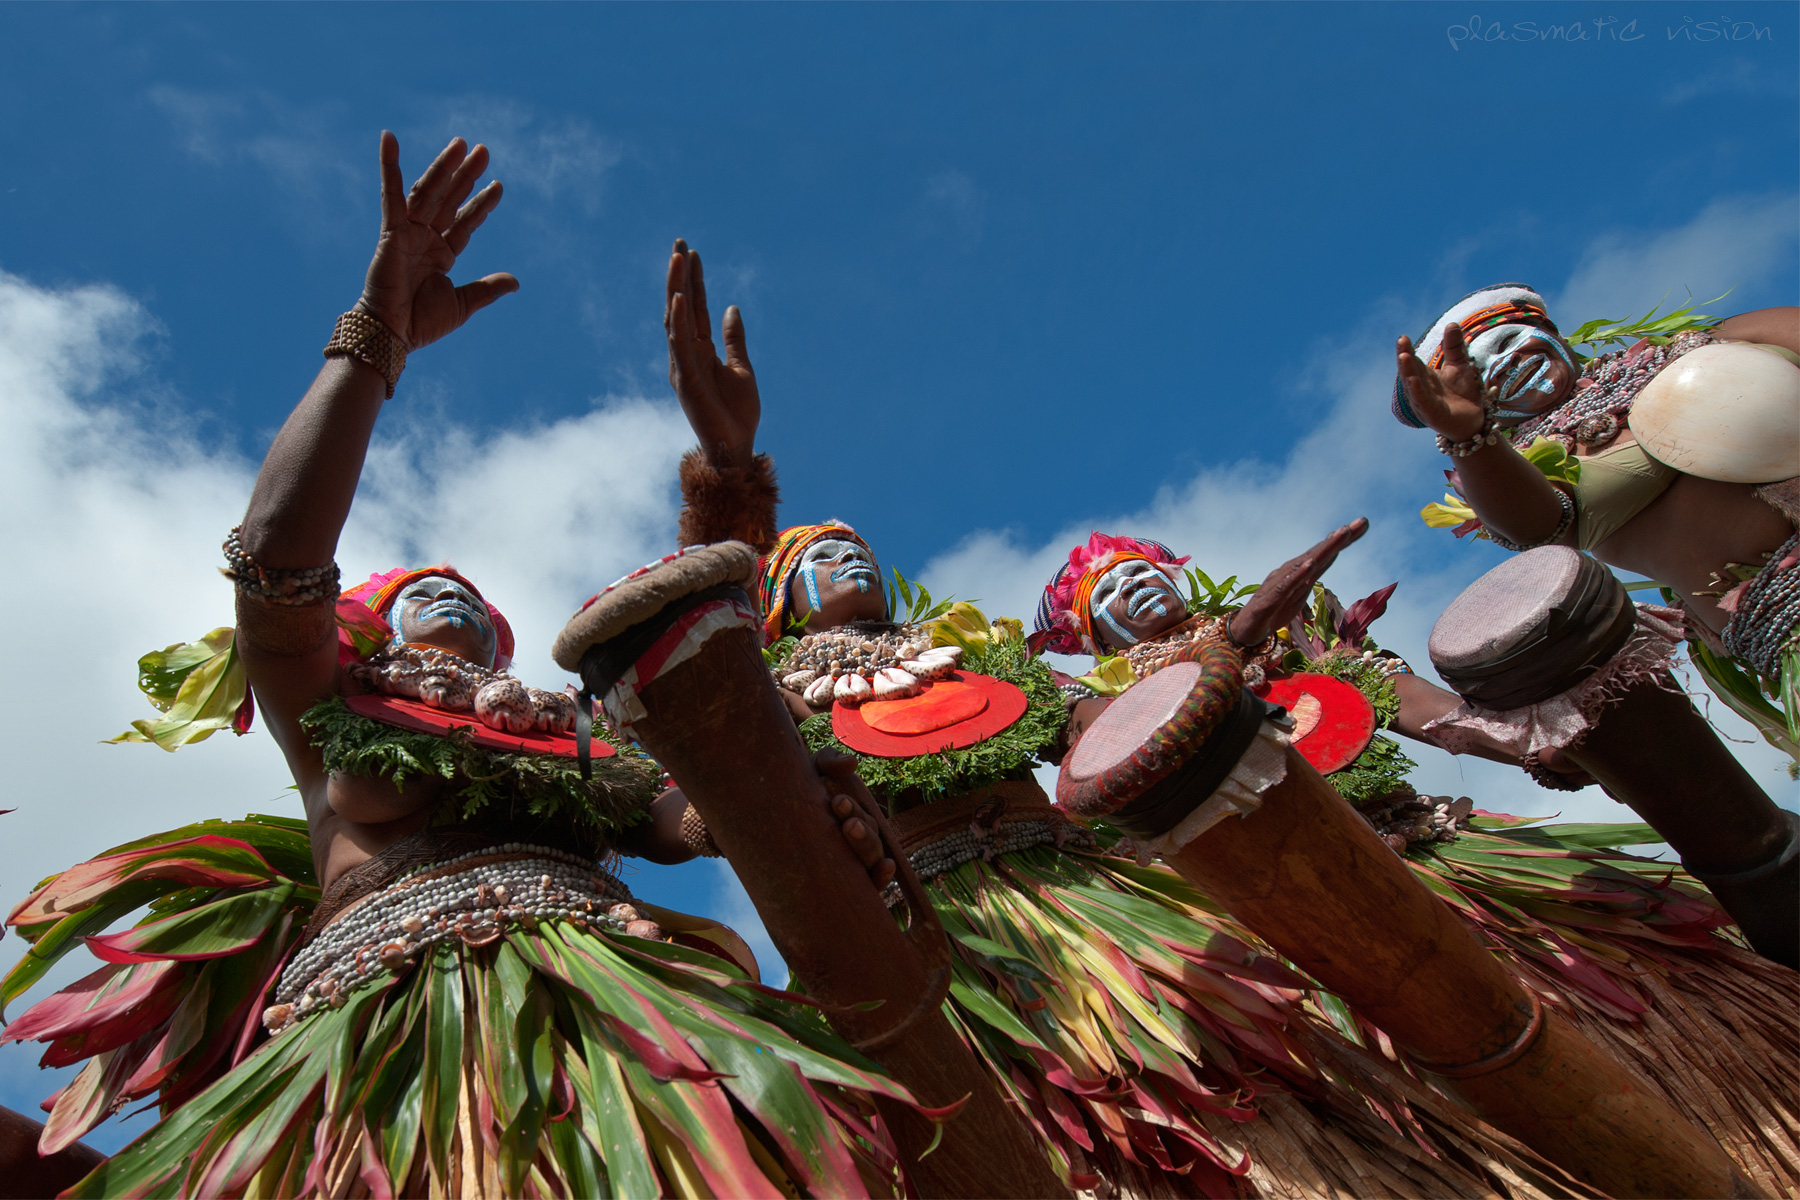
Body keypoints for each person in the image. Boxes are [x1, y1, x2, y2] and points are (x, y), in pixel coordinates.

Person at [2, 134, 921, 1200]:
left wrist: (788, 797)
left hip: (617, 1031)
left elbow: (694, 797)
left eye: (464, 595)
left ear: (500, 639)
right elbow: (272, 559)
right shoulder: (326, 707)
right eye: (409, 592)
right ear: (365, 632)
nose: (440, 594)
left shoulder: (572, 738)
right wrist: (372, 344)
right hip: (384, 1048)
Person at [656, 243, 1605, 1199]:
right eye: (822, 558)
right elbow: (712, 687)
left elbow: (1094, 726)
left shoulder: (980, 662)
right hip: (957, 937)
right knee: (1096, 1134)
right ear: (774, 598)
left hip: (1096, 895)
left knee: (1277, 1065)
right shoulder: (772, 686)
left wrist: (1214, 677)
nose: (853, 561)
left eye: (860, 547)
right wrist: (731, 479)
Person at [1037, 528, 1800, 1194]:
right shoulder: (1107, 707)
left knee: (1635, 957)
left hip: (1423, 842)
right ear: (1092, 636)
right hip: (1307, 904)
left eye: (1144, 569)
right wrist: (1237, 635)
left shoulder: (1298, 629)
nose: (1137, 586)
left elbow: (1393, 695)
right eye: (1112, 589)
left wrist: (1505, 733)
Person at [1393, 285, 1800, 760]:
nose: (1501, 366)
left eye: (1505, 344)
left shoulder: (1698, 346)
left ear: (1547, 331)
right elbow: (1537, 526)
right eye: (1476, 373)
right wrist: (1469, 435)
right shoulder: (1529, 467)